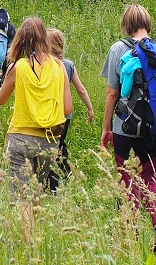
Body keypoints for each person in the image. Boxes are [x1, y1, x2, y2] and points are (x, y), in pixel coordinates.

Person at [0, 17, 72, 242]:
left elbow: (0, 100)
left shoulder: (17, 67)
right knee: (37, 191)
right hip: (49, 140)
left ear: (20, 39)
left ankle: (29, 245)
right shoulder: (59, 66)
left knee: (21, 196)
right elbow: (67, 107)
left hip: (20, 138)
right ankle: (35, 235)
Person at [100, 4, 156, 255]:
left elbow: (111, 93)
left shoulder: (120, 48)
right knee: (149, 179)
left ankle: (128, 241)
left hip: (126, 129)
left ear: (125, 25)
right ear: (147, 24)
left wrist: (105, 127)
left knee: (127, 181)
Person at [46, 27, 94, 191]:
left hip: (49, 113)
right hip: (66, 114)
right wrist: (90, 108)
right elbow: (81, 89)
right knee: (60, 143)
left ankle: (52, 178)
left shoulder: (44, 64)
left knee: (49, 145)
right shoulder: (69, 65)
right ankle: (66, 171)